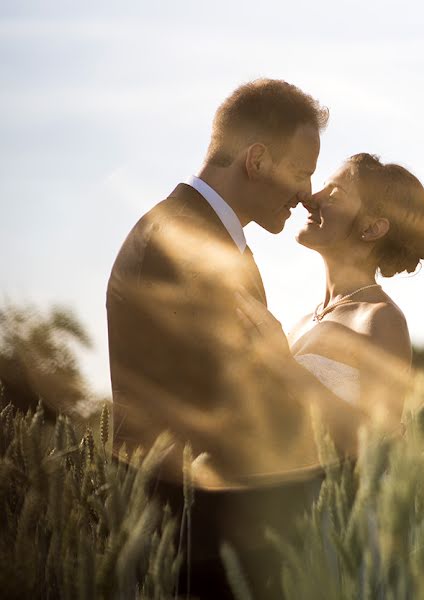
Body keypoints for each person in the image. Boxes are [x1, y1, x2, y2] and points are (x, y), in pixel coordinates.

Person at [106, 78, 337, 597]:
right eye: (302, 173)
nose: (306, 196)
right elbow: (236, 415)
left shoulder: (196, 233)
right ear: (255, 160)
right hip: (199, 550)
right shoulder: (185, 246)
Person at [287, 153, 424, 452]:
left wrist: (283, 366)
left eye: (334, 193)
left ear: (372, 228)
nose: (312, 197)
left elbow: (377, 443)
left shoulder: (381, 319)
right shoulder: (303, 321)